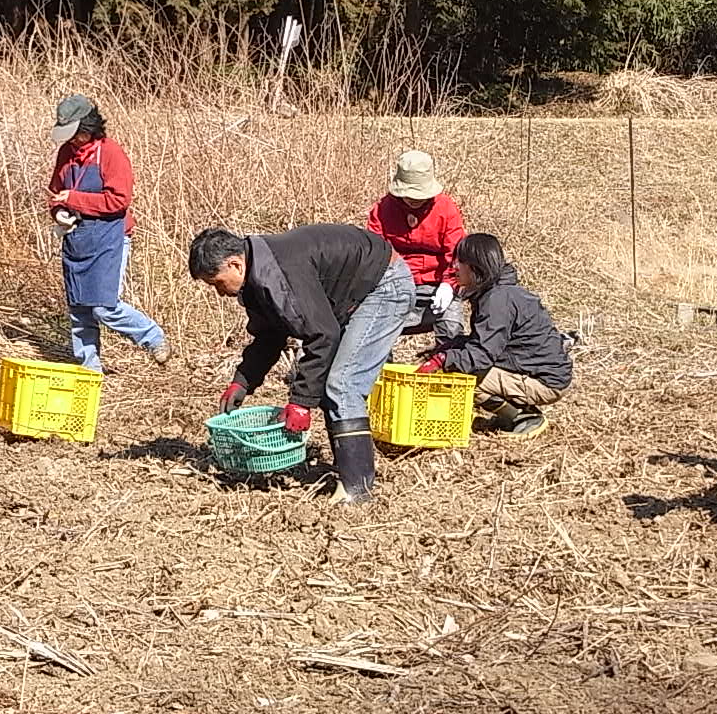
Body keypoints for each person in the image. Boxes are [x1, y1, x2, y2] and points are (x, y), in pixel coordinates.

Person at [189, 224, 414, 504]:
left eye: (217, 283)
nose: (220, 293)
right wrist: (242, 381)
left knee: (342, 384)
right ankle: (348, 474)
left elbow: (323, 335)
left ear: (235, 264)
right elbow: (269, 335)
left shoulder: (278, 274)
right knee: (332, 381)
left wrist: (301, 402)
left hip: (384, 285)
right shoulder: (257, 276)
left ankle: (358, 489)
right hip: (357, 293)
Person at [48, 94, 170, 371]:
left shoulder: (111, 153)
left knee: (104, 306)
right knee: (79, 307)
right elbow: (55, 193)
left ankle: (154, 338)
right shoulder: (65, 154)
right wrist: (59, 212)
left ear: (89, 128)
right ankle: (89, 369)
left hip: (110, 237)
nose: (72, 140)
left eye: (76, 134)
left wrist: (74, 200)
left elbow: (118, 201)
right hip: (76, 238)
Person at [416, 233, 571, 439]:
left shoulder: (497, 301)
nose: (454, 267)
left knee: (461, 378)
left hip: (545, 381)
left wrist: (444, 359)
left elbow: (481, 355)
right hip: (535, 369)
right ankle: (512, 414)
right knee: (461, 366)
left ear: (474, 267)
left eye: (460, 261)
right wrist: (449, 347)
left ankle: (523, 418)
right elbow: (485, 342)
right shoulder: (496, 292)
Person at [366, 150, 466, 342]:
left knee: (451, 326)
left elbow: (456, 253)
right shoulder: (382, 210)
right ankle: (379, 370)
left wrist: (448, 284)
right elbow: (375, 254)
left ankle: (443, 365)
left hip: (437, 284)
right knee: (373, 329)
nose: (414, 200)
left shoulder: (446, 209)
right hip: (394, 284)